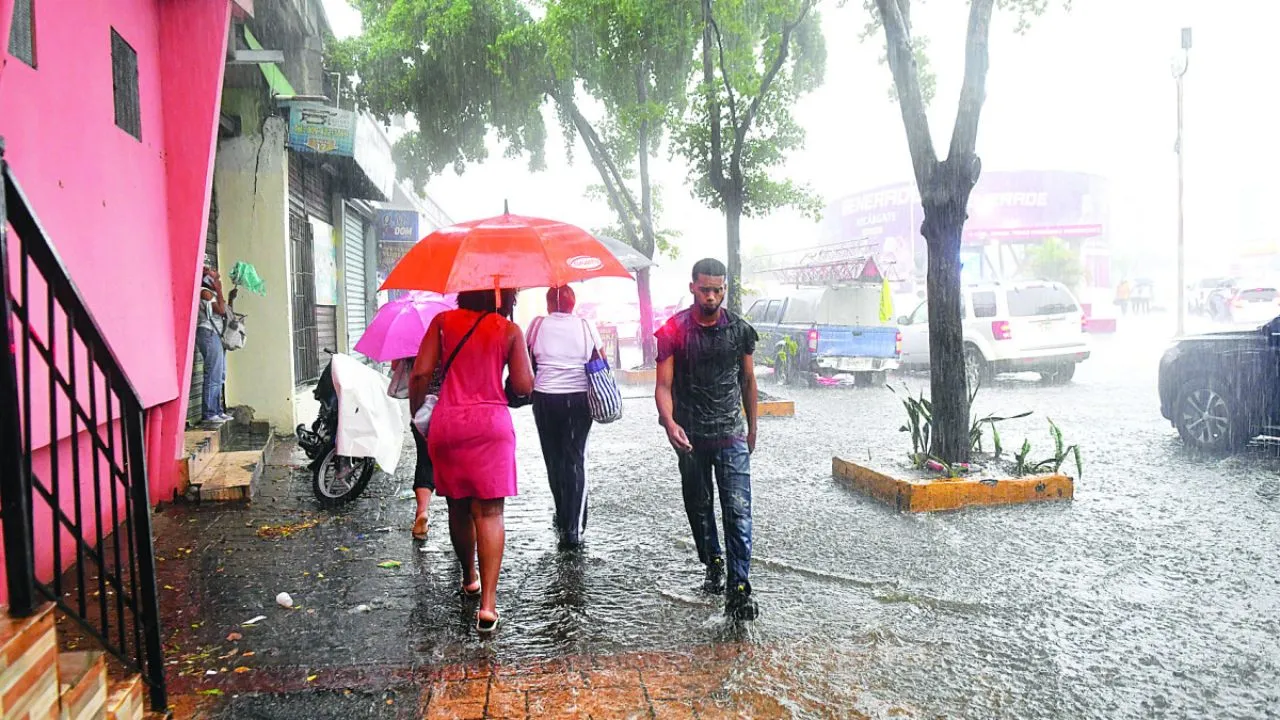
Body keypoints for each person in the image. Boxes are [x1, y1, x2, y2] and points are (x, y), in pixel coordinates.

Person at [409, 289, 533, 634]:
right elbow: (523, 386)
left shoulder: (442, 322)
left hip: (449, 423)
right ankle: (489, 606)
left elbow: (419, 374)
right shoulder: (508, 330)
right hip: (491, 426)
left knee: (458, 507)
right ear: (502, 295)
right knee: (490, 513)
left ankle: (468, 577)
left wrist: (418, 415)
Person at [655, 258, 761, 621]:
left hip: (730, 432)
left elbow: (748, 380)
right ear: (692, 288)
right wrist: (669, 422)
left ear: (725, 290)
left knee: (738, 510)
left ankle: (740, 587)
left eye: (718, 290)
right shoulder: (674, 331)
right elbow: (663, 385)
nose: (712, 297)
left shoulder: (740, 331)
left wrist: (752, 427)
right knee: (699, 508)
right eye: (705, 290)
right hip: (691, 435)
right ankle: (713, 560)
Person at [527, 286, 602, 549]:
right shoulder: (585, 325)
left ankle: (562, 514)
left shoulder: (536, 325)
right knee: (575, 459)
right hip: (578, 400)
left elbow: (527, 361)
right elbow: (600, 360)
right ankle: (573, 529)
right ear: (573, 303)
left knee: (554, 459)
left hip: (544, 398)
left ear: (549, 304)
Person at [390, 356, 434, 540]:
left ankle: (422, 511)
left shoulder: (412, 342)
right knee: (454, 467)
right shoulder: (449, 336)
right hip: (453, 409)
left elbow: (395, 367)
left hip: (423, 411)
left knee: (424, 462)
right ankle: (460, 519)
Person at [195, 267, 232, 424]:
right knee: (213, 374)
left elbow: (227, 311)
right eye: (215, 278)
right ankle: (209, 413)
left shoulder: (214, 294)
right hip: (208, 333)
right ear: (207, 280)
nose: (218, 280)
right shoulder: (205, 292)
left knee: (220, 373)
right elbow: (221, 310)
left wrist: (230, 298)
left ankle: (217, 410)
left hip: (216, 335)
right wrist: (219, 289)